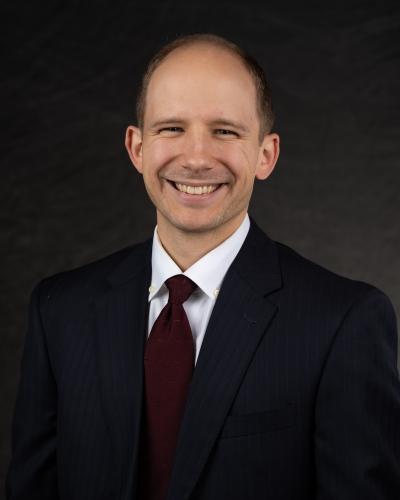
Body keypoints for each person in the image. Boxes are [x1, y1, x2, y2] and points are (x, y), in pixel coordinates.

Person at [6, 33, 400, 500]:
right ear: (136, 148)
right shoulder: (60, 311)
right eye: (172, 128)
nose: (195, 158)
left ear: (266, 154)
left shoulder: (343, 322)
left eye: (225, 131)